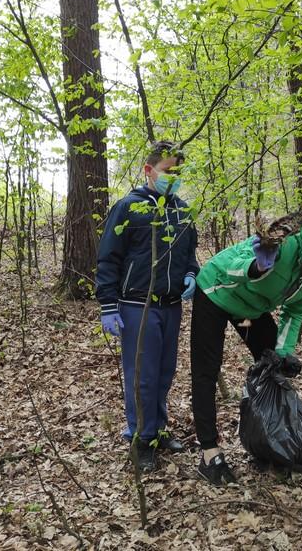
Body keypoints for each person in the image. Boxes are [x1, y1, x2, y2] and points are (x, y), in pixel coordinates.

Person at [190, 212, 302, 484]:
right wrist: (256, 267)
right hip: (216, 291)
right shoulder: (284, 242)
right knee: (206, 370)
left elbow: (295, 311)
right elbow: (230, 267)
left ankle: (271, 437)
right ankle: (209, 451)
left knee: (273, 363)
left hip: (251, 309)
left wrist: (283, 352)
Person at [96, 141, 199, 472]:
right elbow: (109, 257)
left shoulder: (182, 211)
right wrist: (108, 305)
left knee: (165, 372)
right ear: (149, 170)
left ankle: (157, 429)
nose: (174, 177)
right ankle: (141, 437)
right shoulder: (128, 208)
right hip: (136, 304)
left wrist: (191, 274)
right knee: (142, 375)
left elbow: (189, 255)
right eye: (169, 170)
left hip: (171, 305)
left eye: (179, 172)